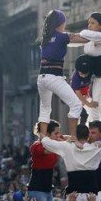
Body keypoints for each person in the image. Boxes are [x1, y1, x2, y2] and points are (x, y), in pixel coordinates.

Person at [36, 9, 87, 138]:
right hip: (54, 77)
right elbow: (82, 39)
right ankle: (74, 137)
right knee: (76, 104)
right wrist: (99, 36)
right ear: (61, 23)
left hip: (42, 78)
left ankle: (42, 138)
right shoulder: (62, 36)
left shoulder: (45, 38)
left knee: (45, 108)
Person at [27, 120, 62, 201]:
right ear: (47, 134)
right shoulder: (36, 146)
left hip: (47, 190)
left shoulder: (54, 146)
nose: (58, 136)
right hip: (37, 189)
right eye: (55, 133)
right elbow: (47, 150)